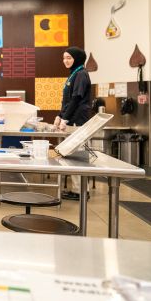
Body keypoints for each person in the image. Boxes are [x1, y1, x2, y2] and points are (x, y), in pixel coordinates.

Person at [55, 46, 92, 201]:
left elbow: (76, 99)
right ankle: (77, 190)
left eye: (69, 58)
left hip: (78, 121)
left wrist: (66, 119)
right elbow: (67, 100)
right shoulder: (73, 74)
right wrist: (59, 115)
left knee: (78, 156)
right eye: (64, 58)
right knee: (72, 155)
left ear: (77, 58)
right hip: (71, 119)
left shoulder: (81, 74)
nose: (66, 61)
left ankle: (81, 191)